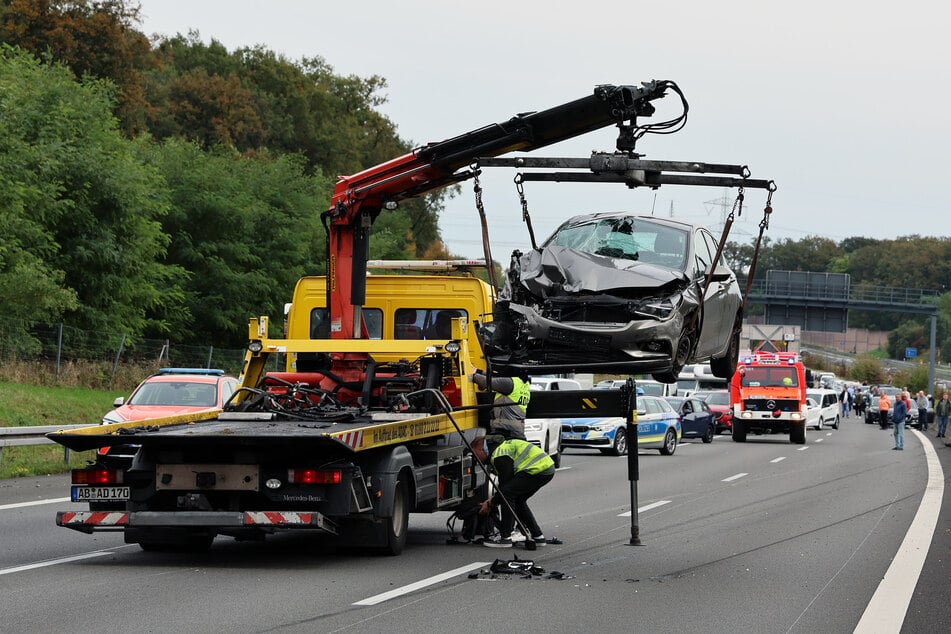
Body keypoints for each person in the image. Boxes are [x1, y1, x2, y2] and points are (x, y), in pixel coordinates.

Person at [470, 434, 555, 548]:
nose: (476, 459)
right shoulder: (501, 449)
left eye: (475, 454)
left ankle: (505, 538)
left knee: (507, 495)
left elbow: (505, 489)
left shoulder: (499, 455)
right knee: (518, 500)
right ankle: (538, 537)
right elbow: (506, 487)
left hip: (537, 469)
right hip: (546, 468)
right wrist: (492, 501)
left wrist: (491, 503)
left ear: (481, 449)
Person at [470, 369, 530, 440]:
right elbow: (496, 377)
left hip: (506, 432)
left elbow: (485, 382)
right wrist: (478, 371)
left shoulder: (509, 383)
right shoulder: (524, 385)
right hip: (517, 432)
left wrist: (472, 375)